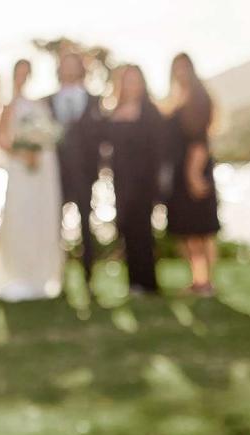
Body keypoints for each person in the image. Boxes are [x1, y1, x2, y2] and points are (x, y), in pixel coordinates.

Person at [0, 58, 65, 301]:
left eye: (27, 72)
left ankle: (43, 275)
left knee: (41, 218)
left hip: (42, 171)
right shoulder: (8, 105)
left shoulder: (40, 104)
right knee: (20, 218)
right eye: (19, 73)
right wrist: (23, 154)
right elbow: (1, 140)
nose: (23, 77)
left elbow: (49, 133)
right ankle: (18, 274)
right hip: (20, 171)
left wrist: (38, 149)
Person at [45, 52, 103, 290]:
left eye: (73, 65)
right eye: (64, 65)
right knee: (53, 226)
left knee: (86, 227)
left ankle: (89, 278)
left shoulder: (94, 100)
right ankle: (57, 278)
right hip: (53, 175)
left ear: (81, 69)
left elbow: (100, 137)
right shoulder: (46, 102)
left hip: (85, 173)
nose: (68, 69)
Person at [164, 52, 220, 296]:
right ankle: (197, 280)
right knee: (186, 230)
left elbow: (199, 141)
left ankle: (206, 281)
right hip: (178, 174)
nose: (180, 72)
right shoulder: (176, 99)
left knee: (202, 229)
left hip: (193, 171)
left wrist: (194, 174)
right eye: (177, 68)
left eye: (184, 67)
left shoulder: (199, 98)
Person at [106, 64, 164, 294]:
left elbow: (158, 149)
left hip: (144, 181)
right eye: (127, 80)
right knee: (126, 228)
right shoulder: (113, 112)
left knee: (143, 230)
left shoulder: (150, 112)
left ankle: (148, 282)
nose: (131, 84)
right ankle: (132, 282)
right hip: (121, 182)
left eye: (135, 79)